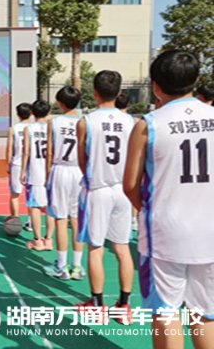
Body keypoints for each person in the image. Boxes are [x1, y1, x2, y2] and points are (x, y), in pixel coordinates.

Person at [124, 50, 214, 348]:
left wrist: (149, 211)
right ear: (196, 80)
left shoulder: (149, 124)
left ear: (155, 86)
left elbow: (130, 184)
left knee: (165, 314)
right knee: (204, 314)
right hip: (210, 231)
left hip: (165, 233)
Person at [76, 70, 135, 324]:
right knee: (122, 248)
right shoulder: (132, 121)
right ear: (120, 92)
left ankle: (97, 306)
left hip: (98, 189)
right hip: (122, 190)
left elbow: (82, 159)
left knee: (96, 248)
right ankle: (123, 306)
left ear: (94, 92)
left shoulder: (86, 121)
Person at [43, 87, 85, 280]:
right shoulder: (84, 122)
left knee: (60, 218)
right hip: (78, 171)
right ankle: (77, 266)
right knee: (76, 220)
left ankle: (61, 266)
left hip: (60, 169)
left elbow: (50, 151)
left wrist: (47, 175)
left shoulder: (54, 122)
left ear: (60, 103)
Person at [20, 100, 50, 251]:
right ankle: (49, 239)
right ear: (48, 112)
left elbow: (26, 152)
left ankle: (37, 240)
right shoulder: (52, 128)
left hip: (35, 171)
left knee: (34, 207)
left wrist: (22, 171)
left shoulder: (29, 129)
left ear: (32, 113)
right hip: (50, 171)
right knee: (50, 207)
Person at [115, 92, 140, 231]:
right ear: (129, 104)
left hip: (111, 165)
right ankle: (133, 219)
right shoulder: (134, 121)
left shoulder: (107, 120)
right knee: (132, 188)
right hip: (128, 160)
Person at [6, 103, 31, 224]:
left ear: (17, 115)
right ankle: (31, 221)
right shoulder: (34, 128)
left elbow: (9, 148)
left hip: (17, 163)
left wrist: (8, 164)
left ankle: (15, 219)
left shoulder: (14, 129)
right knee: (31, 194)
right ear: (31, 114)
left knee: (15, 194)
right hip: (32, 164)